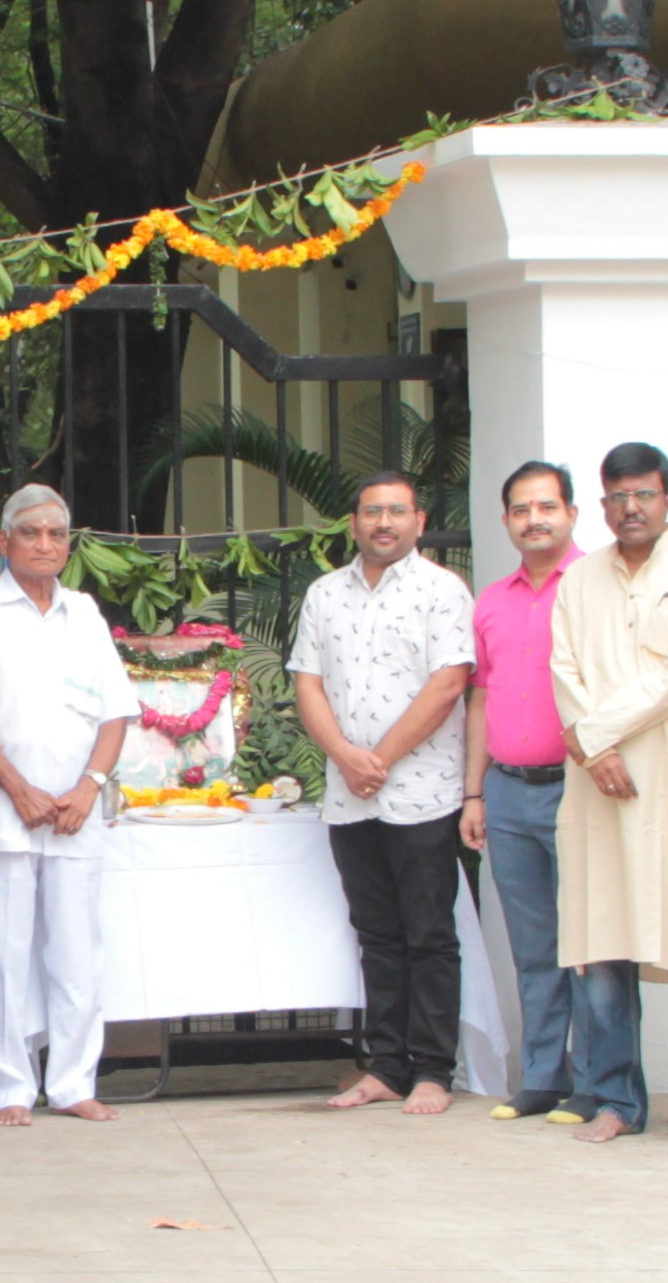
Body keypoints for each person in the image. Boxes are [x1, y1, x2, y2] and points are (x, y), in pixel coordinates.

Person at [550, 441, 668, 1145]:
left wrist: (596, 732)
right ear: (602, 506)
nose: (631, 509)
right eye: (618, 497)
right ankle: (617, 1102)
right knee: (601, 944)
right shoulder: (579, 581)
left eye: (645, 495)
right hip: (597, 792)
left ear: (667, 500)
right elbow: (563, 671)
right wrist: (594, 748)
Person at [291, 471, 476, 1115]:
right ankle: (386, 1066)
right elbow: (307, 682)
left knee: (428, 933)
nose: (384, 523)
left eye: (398, 511)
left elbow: (449, 682)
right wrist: (345, 757)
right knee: (375, 934)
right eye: (372, 512)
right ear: (354, 523)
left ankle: (433, 1070)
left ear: (419, 522)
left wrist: (381, 758)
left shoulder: (442, 591)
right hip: (350, 795)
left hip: (423, 792)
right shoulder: (324, 594)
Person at [476, 461, 640, 1142]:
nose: (534, 518)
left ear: (573, 513)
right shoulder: (491, 600)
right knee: (535, 945)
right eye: (521, 509)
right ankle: (543, 1075)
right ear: (508, 520)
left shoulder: (600, 589)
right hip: (508, 792)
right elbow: (481, 696)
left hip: (579, 791)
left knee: (592, 944)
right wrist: (471, 790)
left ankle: (600, 1084)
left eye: (547, 506)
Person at [0, 484, 139, 1128]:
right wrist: (16, 786)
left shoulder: (85, 614)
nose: (45, 544)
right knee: (4, 958)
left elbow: (116, 712)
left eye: (57, 534)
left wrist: (89, 786)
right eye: (31, 532)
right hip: (4, 808)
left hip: (75, 811)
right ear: (3, 541)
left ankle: (73, 1084)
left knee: (75, 955)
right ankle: (9, 1087)